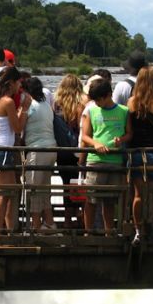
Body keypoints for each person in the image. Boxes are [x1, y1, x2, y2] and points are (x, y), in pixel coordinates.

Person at [81, 77, 132, 236]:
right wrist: (95, 144)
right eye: (94, 100)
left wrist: (121, 139)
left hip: (115, 161)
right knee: (91, 199)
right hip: (95, 161)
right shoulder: (91, 110)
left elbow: (130, 133)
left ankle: (109, 231)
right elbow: (85, 136)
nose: (97, 102)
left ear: (108, 95)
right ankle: (88, 231)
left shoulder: (123, 111)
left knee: (110, 200)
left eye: (99, 99)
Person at [127, 67, 153, 244]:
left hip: (137, 152)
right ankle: (149, 227)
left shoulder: (131, 102)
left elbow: (128, 129)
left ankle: (137, 229)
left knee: (138, 194)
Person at [0, 66, 29, 232]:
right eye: (19, 82)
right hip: (3, 149)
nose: (20, 86)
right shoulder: (8, 101)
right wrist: (24, 109)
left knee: (9, 193)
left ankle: (8, 229)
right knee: (5, 194)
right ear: (11, 83)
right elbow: (18, 128)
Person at [22, 76, 57, 231]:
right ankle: (49, 222)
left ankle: (35, 225)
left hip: (37, 151)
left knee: (33, 189)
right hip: (51, 150)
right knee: (44, 189)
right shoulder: (46, 105)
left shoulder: (30, 106)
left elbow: (19, 129)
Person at [53, 74, 88, 228]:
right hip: (77, 150)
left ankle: (67, 221)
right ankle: (81, 216)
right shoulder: (81, 104)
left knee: (66, 185)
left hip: (62, 151)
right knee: (80, 183)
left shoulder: (57, 104)